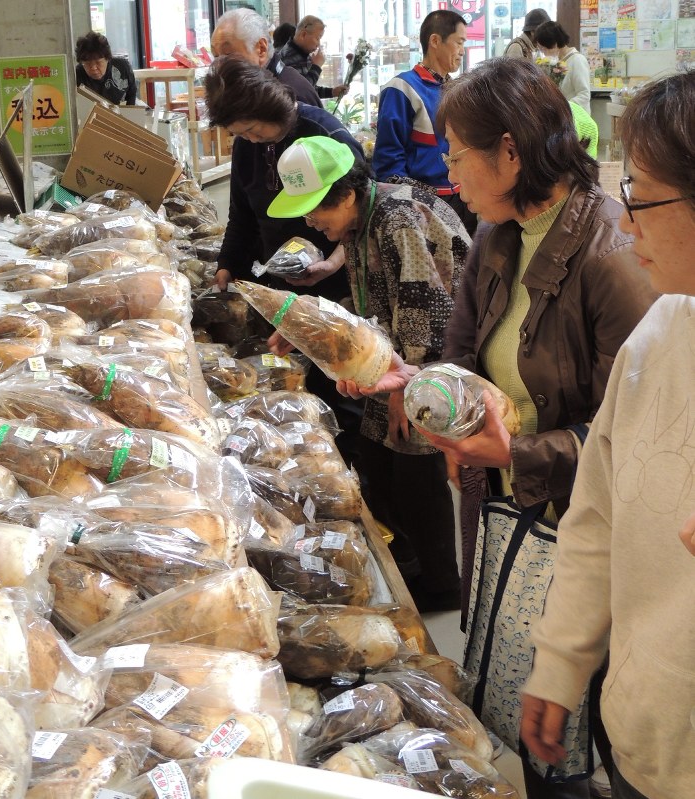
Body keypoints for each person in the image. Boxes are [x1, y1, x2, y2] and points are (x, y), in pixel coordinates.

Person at [342, 57, 657, 798]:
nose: (447, 172)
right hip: (508, 510)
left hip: (578, 526)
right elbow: (461, 349)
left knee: (582, 720)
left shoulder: (613, 258)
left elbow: (627, 435)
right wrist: (413, 382)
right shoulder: (496, 233)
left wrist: (513, 449)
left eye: (456, 153)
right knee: (527, 707)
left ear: (510, 153)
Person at [521, 71, 695, 799]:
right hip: (643, 734)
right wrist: (561, 662)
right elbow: (596, 520)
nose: (627, 226)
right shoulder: (659, 335)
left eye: (643, 199)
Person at [267, 136, 471, 611]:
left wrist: (407, 390)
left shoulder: (397, 220)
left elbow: (425, 309)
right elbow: (371, 307)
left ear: (347, 194)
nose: (309, 221)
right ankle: (408, 564)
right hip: (392, 356)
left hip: (432, 359)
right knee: (377, 463)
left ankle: (443, 584)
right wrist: (305, 330)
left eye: (316, 209)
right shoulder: (361, 221)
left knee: (415, 461)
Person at [203, 56, 364, 464]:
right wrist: (227, 265)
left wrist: (333, 263)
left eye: (254, 130)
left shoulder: (325, 134)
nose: (252, 140)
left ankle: (353, 473)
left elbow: (362, 211)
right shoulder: (247, 146)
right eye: (242, 134)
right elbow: (241, 213)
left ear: (269, 108)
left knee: (342, 391)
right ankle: (319, 466)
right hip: (282, 288)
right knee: (295, 392)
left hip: (336, 290)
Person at [372, 10, 477, 236]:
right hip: (424, 206)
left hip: (465, 198)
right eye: (459, 42)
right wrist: (413, 206)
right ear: (435, 41)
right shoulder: (402, 88)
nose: (462, 51)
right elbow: (388, 161)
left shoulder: (457, 89)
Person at [210, 9, 321, 107]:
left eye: (228, 55)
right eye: (216, 56)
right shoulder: (251, 87)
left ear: (261, 49)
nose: (219, 66)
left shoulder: (290, 97)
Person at [278, 15, 348, 100]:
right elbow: (302, 91)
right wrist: (316, 67)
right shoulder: (289, 56)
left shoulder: (302, 54)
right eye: (318, 38)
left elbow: (311, 89)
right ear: (303, 35)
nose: (318, 44)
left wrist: (332, 92)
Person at [534, 21, 591, 112]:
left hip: (577, 118)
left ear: (554, 44)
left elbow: (584, 95)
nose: (543, 52)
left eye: (543, 48)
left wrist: (562, 107)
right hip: (563, 117)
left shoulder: (577, 60)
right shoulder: (558, 61)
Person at [75, 31, 137, 105]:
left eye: (98, 62)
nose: (93, 68)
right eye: (88, 64)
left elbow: (132, 92)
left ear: (107, 59)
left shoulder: (122, 67)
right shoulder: (77, 74)